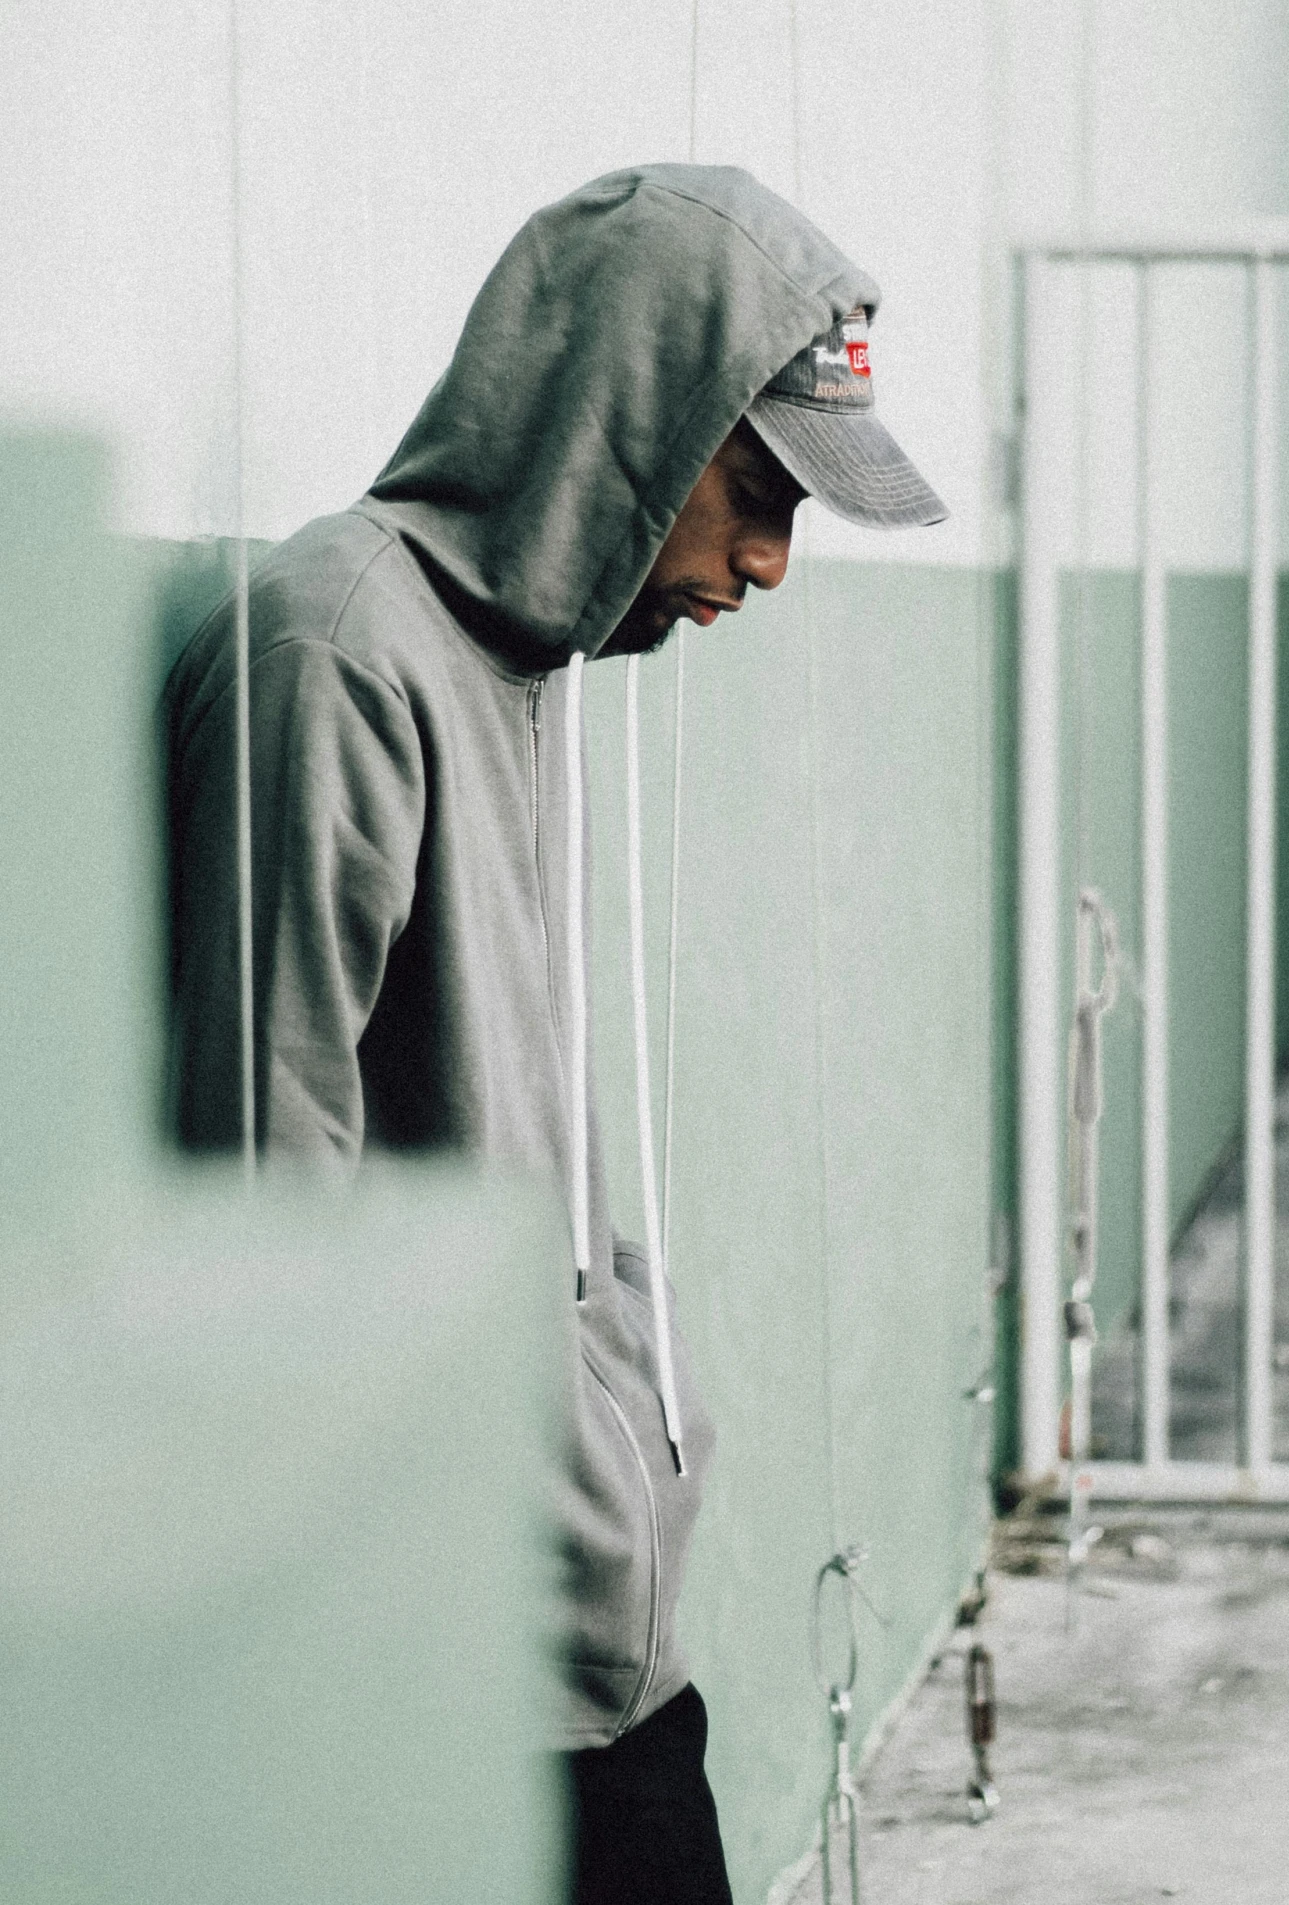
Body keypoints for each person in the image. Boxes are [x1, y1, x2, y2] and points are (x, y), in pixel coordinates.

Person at [164, 163, 946, 1903]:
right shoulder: (340, 655)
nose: (766, 563)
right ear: (624, 423)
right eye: (758, 493)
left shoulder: (513, 664)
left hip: (579, 1623)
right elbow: (259, 1195)